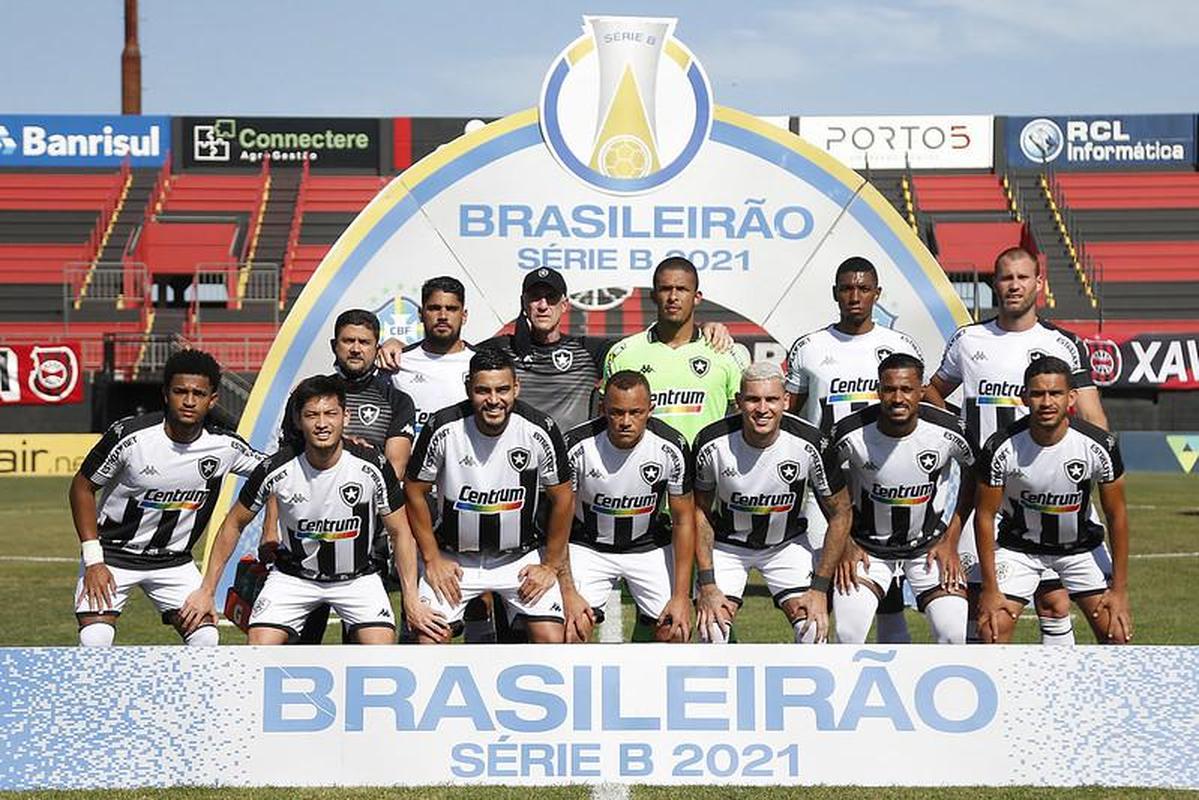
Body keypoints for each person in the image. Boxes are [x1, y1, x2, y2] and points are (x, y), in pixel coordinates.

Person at [925, 246, 1111, 645]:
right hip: (985, 494)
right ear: (995, 284)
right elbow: (934, 392)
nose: (1014, 285)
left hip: (1045, 490)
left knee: (1055, 603)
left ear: (1038, 284)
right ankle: (985, 700)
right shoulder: (969, 340)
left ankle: (1055, 698)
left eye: (1022, 277)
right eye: (1006, 278)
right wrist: (959, 434)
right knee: (984, 608)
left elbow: (1096, 422)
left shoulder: (1063, 344)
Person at [179, 375, 439, 644]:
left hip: (358, 579)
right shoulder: (275, 468)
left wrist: (411, 599)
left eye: (330, 414)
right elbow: (233, 523)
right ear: (298, 420)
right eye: (312, 415)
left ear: (345, 417)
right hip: (293, 579)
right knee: (257, 649)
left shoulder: (373, 466)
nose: (322, 424)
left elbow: (400, 533)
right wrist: (207, 590)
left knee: (380, 652)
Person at [70, 349, 265, 647]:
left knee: (206, 638)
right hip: (112, 556)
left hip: (173, 562)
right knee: (95, 639)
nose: (189, 401)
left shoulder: (226, 447)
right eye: (180, 391)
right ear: (165, 394)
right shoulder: (130, 438)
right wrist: (94, 560)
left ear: (212, 399)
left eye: (198, 394)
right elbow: (82, 487)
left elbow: (278, 471)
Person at [602, 256, 750, 637]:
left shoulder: (725, 354)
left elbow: (745, 420)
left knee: (711, 609)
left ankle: (725, 683)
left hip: (705, 503)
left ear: (697, 296)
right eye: (665, 289)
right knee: (657, 613)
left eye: (681, 289)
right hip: (644, 499)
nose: (673, 297)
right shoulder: (624, 354)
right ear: (654, 295)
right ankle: (643, 689)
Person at [784, 255, 924, 644]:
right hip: (825, 491)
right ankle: (813, 673)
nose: (855, 296)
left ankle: (886, 676)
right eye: (847, 288)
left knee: (888, 594)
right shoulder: (810, 347)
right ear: (835, 294)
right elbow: (790, 417)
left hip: (885, 485)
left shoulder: (899, 345)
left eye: (864, 289)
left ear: (877, 294)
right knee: (819, 587)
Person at [404, 348, 580, 643]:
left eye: (502, 390)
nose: (494, 400)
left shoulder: (540, 428)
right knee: (429, 639)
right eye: (482, 391)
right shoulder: (443, 427)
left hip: (519, 558)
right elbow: (414, 490)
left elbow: (563, 498)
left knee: (554, 638)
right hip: (455, 558)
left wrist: (550, 565)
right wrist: (433, 558)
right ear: (468, 388)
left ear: (516, 388)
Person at [268, 308, 417, 644]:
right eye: (348, 341)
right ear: (334, 345)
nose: (355, 348)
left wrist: (347, 453)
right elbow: (283, 470)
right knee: (301, 643)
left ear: (376, 347)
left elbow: (393, 469)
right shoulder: (308, 396)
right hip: (306, 531)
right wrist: (269, 530)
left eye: (364, 342)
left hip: (366, 536)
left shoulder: (397, 400)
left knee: (361, 645)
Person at [974, 357, 1131, 644]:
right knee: (991, 629)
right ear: (1024, 397)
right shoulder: (1001, 447)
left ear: (1071, 397)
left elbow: (1117, 516)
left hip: (1081, 549)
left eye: (1055, 393)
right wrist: (990, 588)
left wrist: (1119, 590)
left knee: (1117, 632)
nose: (1046, 402)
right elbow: (984, 516)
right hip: (1019, 550)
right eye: (1037, 393)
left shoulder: (1099, 446)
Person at [693, 362, 853, 643]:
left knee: (813, 629)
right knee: (712, 629)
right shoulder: (712, 442)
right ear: (739, 402)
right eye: (753, 399)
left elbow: (840, 512)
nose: (762, 408)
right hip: (728, 546)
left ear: (786, 401)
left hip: (786, 545)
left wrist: (819, 589)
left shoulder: (811, 443)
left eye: (772, 399)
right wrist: (707, 583)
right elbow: (700, 512)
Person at [831, 353, 975, 644]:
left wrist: (951, 538)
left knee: (953, 633)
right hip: (867, 548)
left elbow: (975, 476)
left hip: (929, 546)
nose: (898, 398)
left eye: (907, 389)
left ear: (921, 391)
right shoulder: (849, 433)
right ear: (878, 391)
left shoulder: (950, 430)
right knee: (848, 633)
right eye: (890, 389)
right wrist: (844, 541)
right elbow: (827, 487)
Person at [565, 370, 696, 643]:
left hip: (647, 546)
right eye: (616, 412)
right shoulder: (577, 446)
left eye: (635, 412)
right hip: (588, 546)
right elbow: (559, 519)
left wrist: (681, 597)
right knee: (571, 629)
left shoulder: (671, 446)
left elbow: (684, 521)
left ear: (651, 409)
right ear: (602, 408)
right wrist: (567, 589)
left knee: (676, 629)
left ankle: (652, 686)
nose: (626, 421)